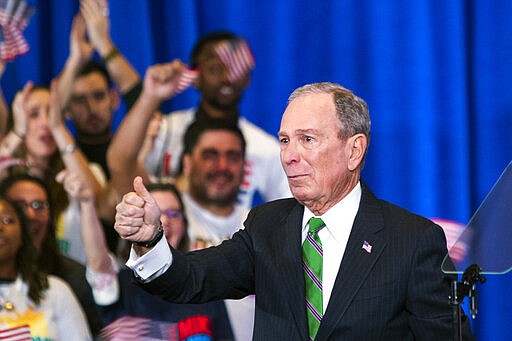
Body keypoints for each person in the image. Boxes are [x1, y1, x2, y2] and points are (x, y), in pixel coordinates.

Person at [114, 82, 475, 340]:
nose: (288, 155)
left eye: (307, 139)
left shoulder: (411, 240)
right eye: (285, 140)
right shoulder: (267, 224)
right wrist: (151, 239)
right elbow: (193, 278)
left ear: (354, 150)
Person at [58, 168, 233, 340]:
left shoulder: (203, 282)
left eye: (173, 213)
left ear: (185, 224)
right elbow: (98, 263)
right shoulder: (119, 285)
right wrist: (87, 203)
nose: (164, 220)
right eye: (154, 213)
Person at [139, 31, 290, 209]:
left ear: (248, 78)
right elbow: (127, 176)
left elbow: (289, 211)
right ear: (195, 77)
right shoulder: (163, 131)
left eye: (235, 68)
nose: (227, 78)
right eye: (216, 69)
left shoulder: (266, 149)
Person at [0, 173, 104, 337]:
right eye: (19, 206)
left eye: (38, 205)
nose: (30, 215)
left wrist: (87, 203)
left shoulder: (64, 284)